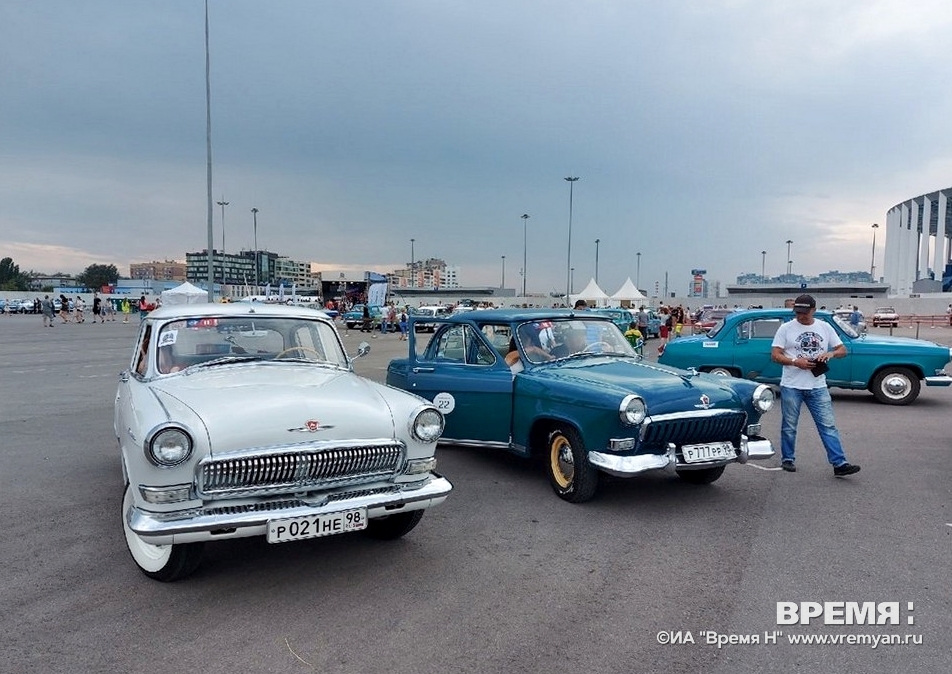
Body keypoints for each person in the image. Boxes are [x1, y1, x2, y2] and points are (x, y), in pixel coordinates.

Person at [770, 294, 860, 477]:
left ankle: (839, 463)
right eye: (797, 312)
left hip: (818, 385)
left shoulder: (824, 327)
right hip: (792, 385)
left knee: (828, 425)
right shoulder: (786, 328)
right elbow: (775, 355)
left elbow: (842, 349)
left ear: (813, 310)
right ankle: (788, 458)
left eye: (804, 312)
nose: (800, 316)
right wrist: (796, 362)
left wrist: (830, 354)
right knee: (789, 425)